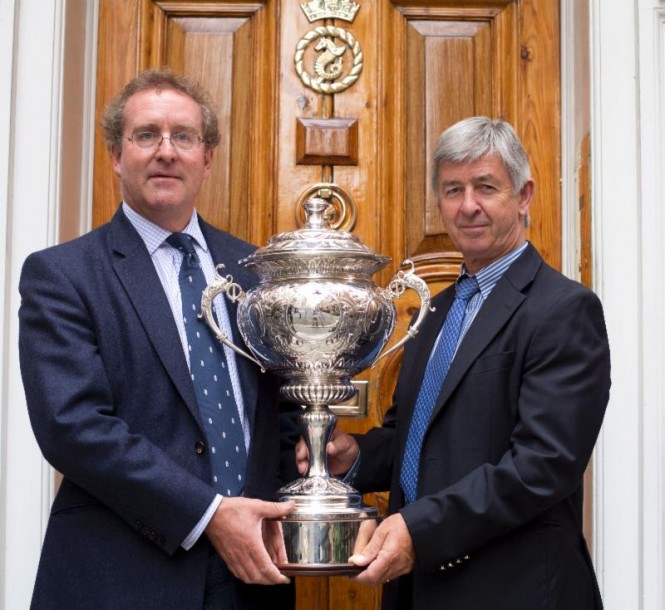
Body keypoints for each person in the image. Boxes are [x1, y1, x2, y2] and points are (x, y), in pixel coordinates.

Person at [296, 116, 611, 609]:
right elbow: (417, 438)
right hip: (419, 592)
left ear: (524, 195)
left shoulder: (563, 309)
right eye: (453, 190)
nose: (468, 206)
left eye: (486, 187)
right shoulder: (437, 310)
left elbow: (542, 466)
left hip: (516, 592)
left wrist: (418, 531)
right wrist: (354, 458)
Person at [19, 68, 297, 610]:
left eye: (184, 137)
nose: (166, 151)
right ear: (117, 156)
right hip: (122, 576)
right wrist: (209, 513)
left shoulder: (256, 273)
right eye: (147, 135)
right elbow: (71, 427)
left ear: (207, 159)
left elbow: (280, 416)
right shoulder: (63, 275)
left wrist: (320, 457)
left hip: (252, 579)